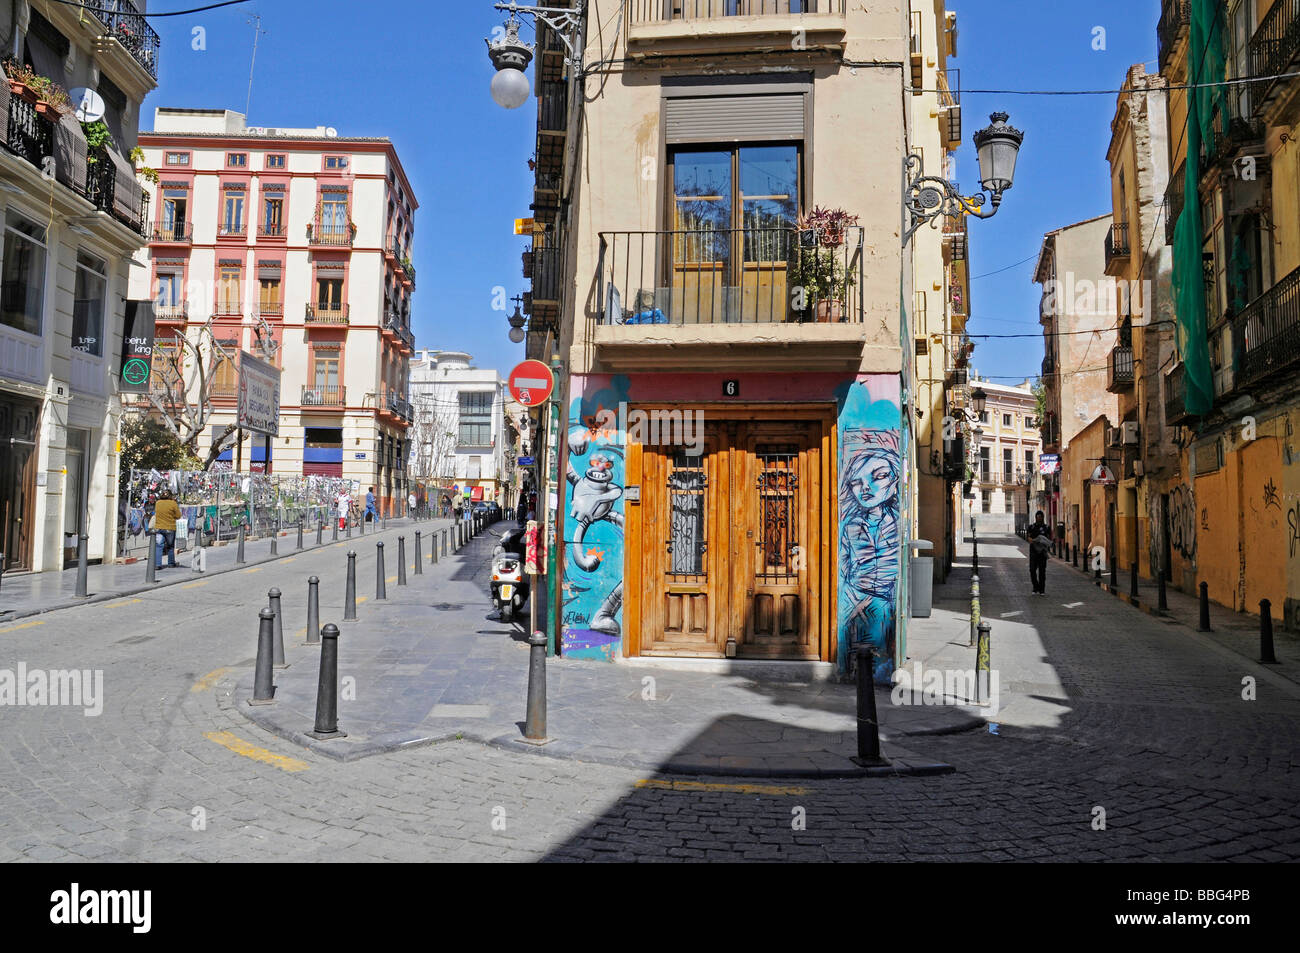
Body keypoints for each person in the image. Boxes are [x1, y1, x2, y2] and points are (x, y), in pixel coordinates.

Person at [153, 489, 182, 570]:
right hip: (170, 528)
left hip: (159, 528)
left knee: (159, 546)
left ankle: (158, 564)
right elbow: (178, 516)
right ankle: (171, 563)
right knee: (170, 546)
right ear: (170, 495)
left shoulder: (158, 503)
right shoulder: (173, 503)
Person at [1027, 509, 1051, 595]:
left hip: (1042, 552)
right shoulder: (1031, 527)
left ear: (1043, 518)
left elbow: (1049, 539)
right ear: (1035, 518)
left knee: (1042, 571)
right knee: (1032, 570)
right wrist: (1033, 540)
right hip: (1033, 552)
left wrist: (1044, 541)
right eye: (1037, 517)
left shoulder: (1046, 528)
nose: (1039, 519)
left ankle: (1042, 589)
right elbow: (1028, 538)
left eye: (1040, 517)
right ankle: (1035, 586)